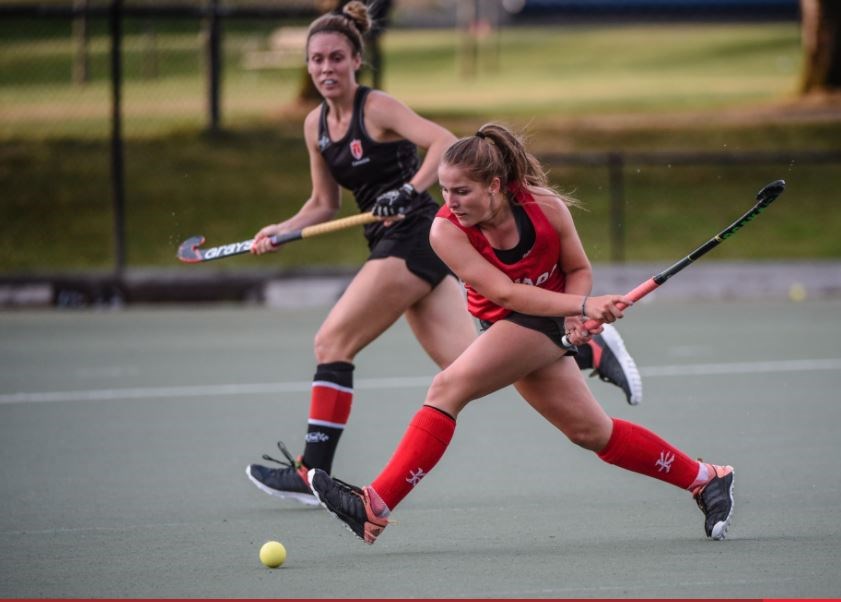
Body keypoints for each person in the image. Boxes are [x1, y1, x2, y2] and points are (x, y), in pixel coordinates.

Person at [246, 2, 642, 507]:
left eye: (336, 58)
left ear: (356, 60)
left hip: (415, 234)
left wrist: (409, 189)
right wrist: (281, 230)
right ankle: (588, 348)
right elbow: (324, 203)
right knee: (470, 364)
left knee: (332, 341)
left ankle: (312, 472)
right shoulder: (315, 125)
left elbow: (443, 142)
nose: (326, 68)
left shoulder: (376, 108)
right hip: (392, 243)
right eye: (317, 59)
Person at [308, 123, 735, 545]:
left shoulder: (546, 208)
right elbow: (505, 293)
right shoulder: (444, 230)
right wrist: (581, 308)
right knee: (591, 432)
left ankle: (375, 504)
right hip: (508, 318)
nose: (451, 202)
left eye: (462, 191)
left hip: (541, 318)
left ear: (494, 186)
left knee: (447, 387)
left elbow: (578, 269)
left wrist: (574, 312)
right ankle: (705, 478)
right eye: (445, 190)